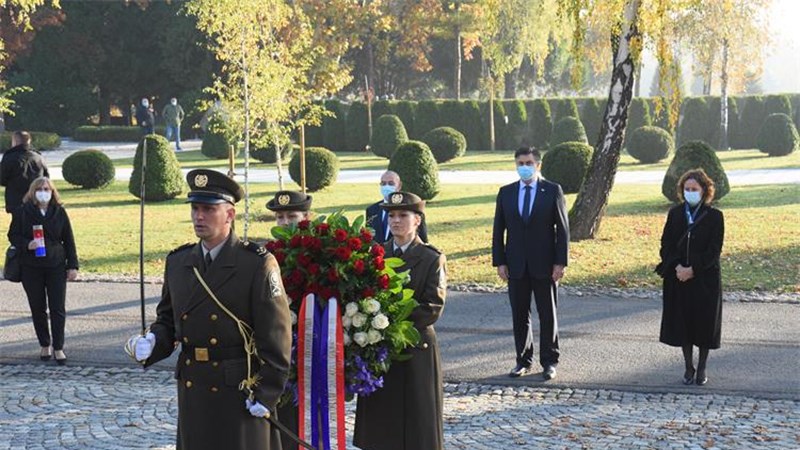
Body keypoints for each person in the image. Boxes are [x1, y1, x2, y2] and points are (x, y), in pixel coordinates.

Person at [126, 169, 292, 450]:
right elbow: (168, 319)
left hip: (239, 386)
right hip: (194, 384)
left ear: (229, 215)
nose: (198, 216)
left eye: (208, 209)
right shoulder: (179, 262)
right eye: (195, 208)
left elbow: (275, 336)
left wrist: (268, 393)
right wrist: (153, 341)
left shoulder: (255, 264)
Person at [355, 191, 447, 450]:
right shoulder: (377, 254)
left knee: (418, 418)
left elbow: (432, 305)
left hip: (415, 346)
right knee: (382, 416)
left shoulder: (431, 257)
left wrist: (391, 322)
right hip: (379, 346)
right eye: (392, 215)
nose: (396, 221)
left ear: (417, 220)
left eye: (403, 215)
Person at [492, 147, 569, 380]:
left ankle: (549, 361)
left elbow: (562, 231)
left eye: (528, 162)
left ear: (538, 165)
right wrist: (500, 261)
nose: (523, 167)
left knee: (547, 313)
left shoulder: (552, 191)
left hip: (544, 264)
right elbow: (499, 230)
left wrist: (560, 262)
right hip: (515, 264)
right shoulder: (506, 192)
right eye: (519, 163)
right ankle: (523, 360)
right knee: (520, 314)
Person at [658, 169, 724, 386]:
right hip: (678, 277)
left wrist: (693, 269)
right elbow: (666, 244)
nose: (690, 193)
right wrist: (677, 267)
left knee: (703, 324)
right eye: (687, 189)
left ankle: (702, 366)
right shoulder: (676, 214)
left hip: (704, 279)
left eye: (694, 189)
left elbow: (714, 250)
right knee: (683, 323)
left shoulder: (715, 217)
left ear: (704, 191)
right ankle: (688, 366)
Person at [7, 177, 78, 365]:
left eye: (47, 189)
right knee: (38, 308)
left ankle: (59, 347)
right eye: (40, 189)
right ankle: (45, 344)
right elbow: (12, 235)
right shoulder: (22, 212)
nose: (43, 192)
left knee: (57, 308)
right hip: (31, 266)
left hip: (56, 265)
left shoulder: (59, 212)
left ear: (52, 192)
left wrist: (73, 265)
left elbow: (69, 240)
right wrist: (26, 244)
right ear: (33, 192)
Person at [365, 170, 428, 244]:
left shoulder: (412, 209)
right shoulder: (372, 210)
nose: (386, 186)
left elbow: (423, 240)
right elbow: (368, 238)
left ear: (399, 185)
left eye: (391, 183)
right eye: (383, 183)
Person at [1, 131, 49, 213]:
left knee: (17, 223)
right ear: (29, 141)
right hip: (36, 198)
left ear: (15, 141)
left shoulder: (9, 157)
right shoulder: (38, 157)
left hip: (15, 199)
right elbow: (46, 178)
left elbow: (2, 178)